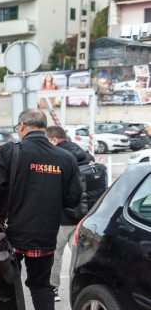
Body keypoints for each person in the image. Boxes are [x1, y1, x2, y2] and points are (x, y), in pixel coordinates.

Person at [0, 110, 82, 310]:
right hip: (45, 234)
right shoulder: (65, 157)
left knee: (5, 287)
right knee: (41, 285)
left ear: (23, 126)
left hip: (9, 236)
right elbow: (73, 199)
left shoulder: (9, 151)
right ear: (44, 128)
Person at [45, 125, 93, 300]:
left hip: (61, 218)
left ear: (54, 140)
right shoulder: (88, 156)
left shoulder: (56, 158)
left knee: (55, 256)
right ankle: (79, 289)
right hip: (84, 218)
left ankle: (53, 289)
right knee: (79, 257)